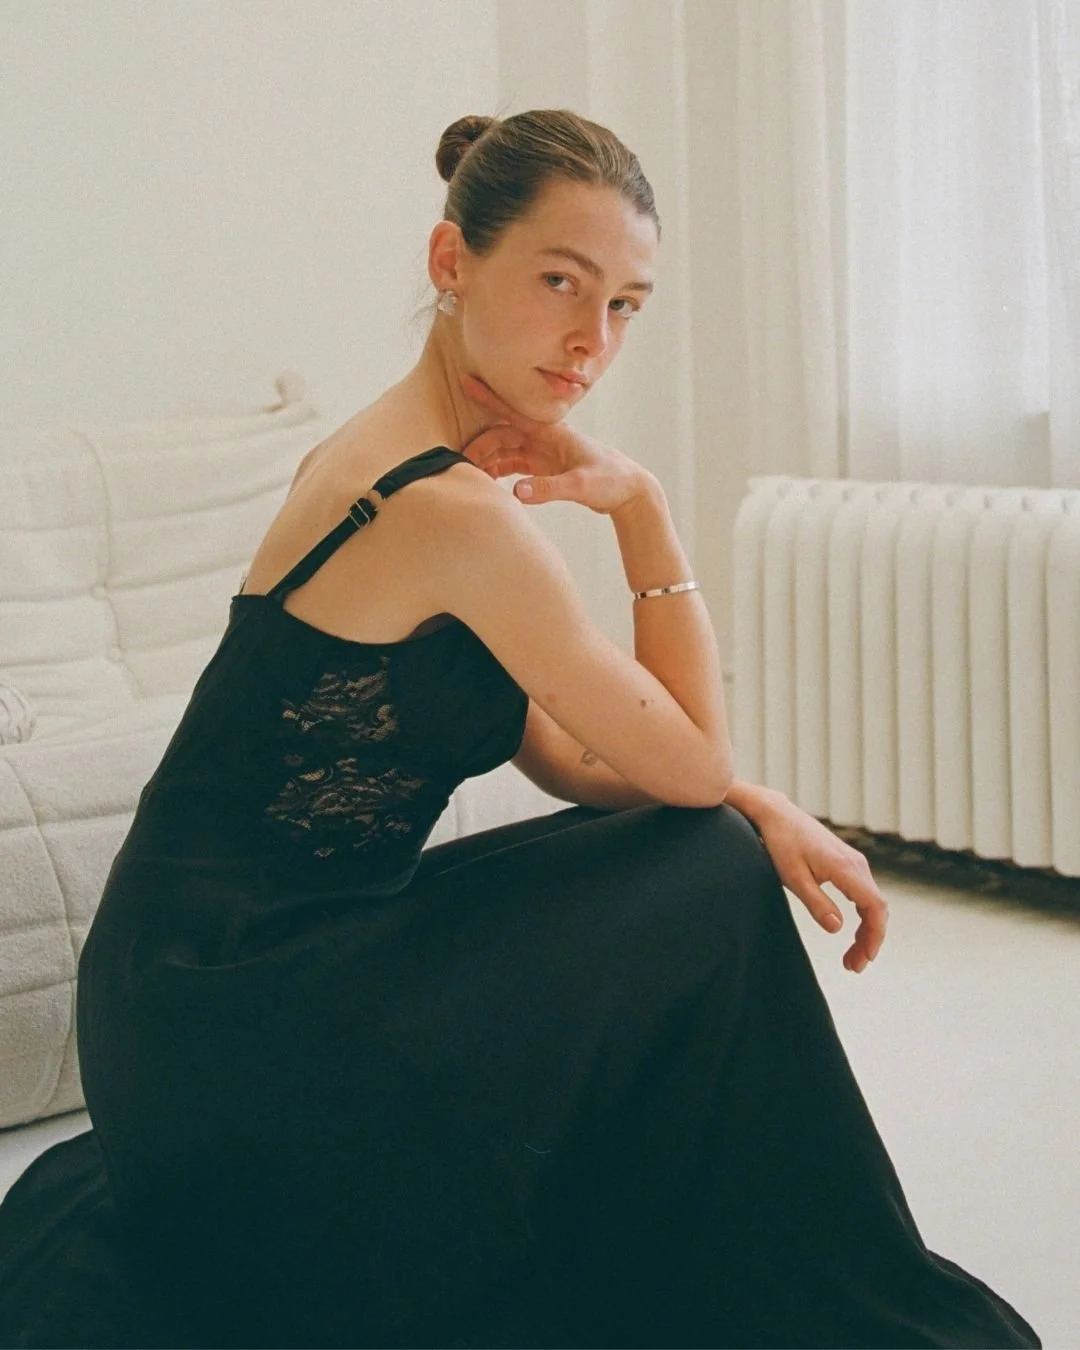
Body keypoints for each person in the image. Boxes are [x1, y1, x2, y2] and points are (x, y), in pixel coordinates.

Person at [0, 108, 1041, 1350]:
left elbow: (586, 763)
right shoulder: (447, 510)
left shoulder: (409, 460)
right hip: (236, 1025)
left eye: (625, 304)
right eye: (562, 282)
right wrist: (643, 511)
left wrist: (752, 803)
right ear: (453, 262)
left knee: (701, 843)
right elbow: (692, 765)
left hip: (199, 991)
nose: (594, 339)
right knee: (707, 864)